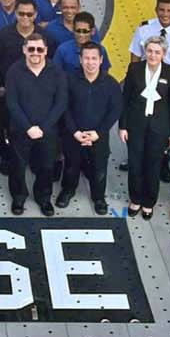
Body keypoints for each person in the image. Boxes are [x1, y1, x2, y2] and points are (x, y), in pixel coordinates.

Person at [4, 35, 67, 215]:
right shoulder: (14, 71)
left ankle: (44, 198)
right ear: (24, 50)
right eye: (31, 49)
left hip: (47, 132)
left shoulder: (57, 72)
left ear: (46, 51)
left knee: (46, 167)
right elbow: (12, 102)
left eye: (39, 49)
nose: (35, 53)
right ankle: (18, 197)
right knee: (17, 166)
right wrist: (28, 128)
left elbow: (61, 103)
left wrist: (43, 128)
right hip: (20, 130)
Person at [57, 42, 122, 214]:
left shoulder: (111, 84)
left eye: (94, 58)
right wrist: (75, 132)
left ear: (101, 60)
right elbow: (64, 107)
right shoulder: (69, 80)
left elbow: (114, 111)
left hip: (98, 137)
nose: (90, 62)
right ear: (80, 59)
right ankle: (68, 190)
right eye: (86, 58)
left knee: (99, 168)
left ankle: (99, 198)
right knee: (71, 165)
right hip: (73, 135)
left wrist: (98, 133)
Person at [120, 38, 170, 220]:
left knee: (153, 165)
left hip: (159, 127)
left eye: (157, 52)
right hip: (136, 124)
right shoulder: (135, 69)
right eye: (150, 51)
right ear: (145, 52)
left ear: (164, 54)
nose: (153, 55)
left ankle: (149, 202)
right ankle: (135, 199)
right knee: (135, 163)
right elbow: (125, 99)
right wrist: (122, 126)